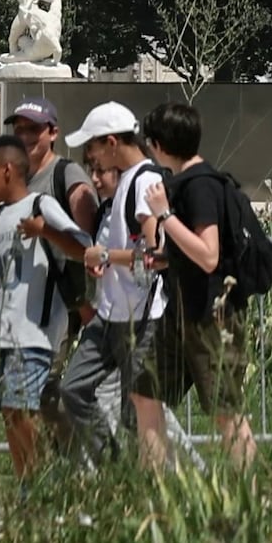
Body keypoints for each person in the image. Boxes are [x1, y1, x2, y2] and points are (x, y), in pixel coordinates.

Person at [146, 103, 262, 466]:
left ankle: (252, 494)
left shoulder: (200, 187)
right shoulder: (189, 183)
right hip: (184, 310)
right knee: (144, 392)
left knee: (225, 410)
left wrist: (164, 214)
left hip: (211, 315)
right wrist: (165, 258)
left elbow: (209, 255)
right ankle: (155, 487)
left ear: (160, 144)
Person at [67, 101, 174, 463]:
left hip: (139, 319)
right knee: (75, 390)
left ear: (111, 143)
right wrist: (108, 258)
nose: (92, 159)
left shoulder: (144, 181)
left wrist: (106, 257)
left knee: (139, 414)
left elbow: (156, 255)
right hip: (112, 313)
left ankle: (152, 491)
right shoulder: (130, 181)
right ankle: (115, 469)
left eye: (93, 148)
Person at [0, 128, 60, 480]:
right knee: (8, 411)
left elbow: (80, 245)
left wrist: (45, 231)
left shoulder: (41, 206)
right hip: (4, 330)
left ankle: (48, 477)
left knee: (21, 408)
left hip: (33, 330)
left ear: (6, 171)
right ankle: (28, 485)